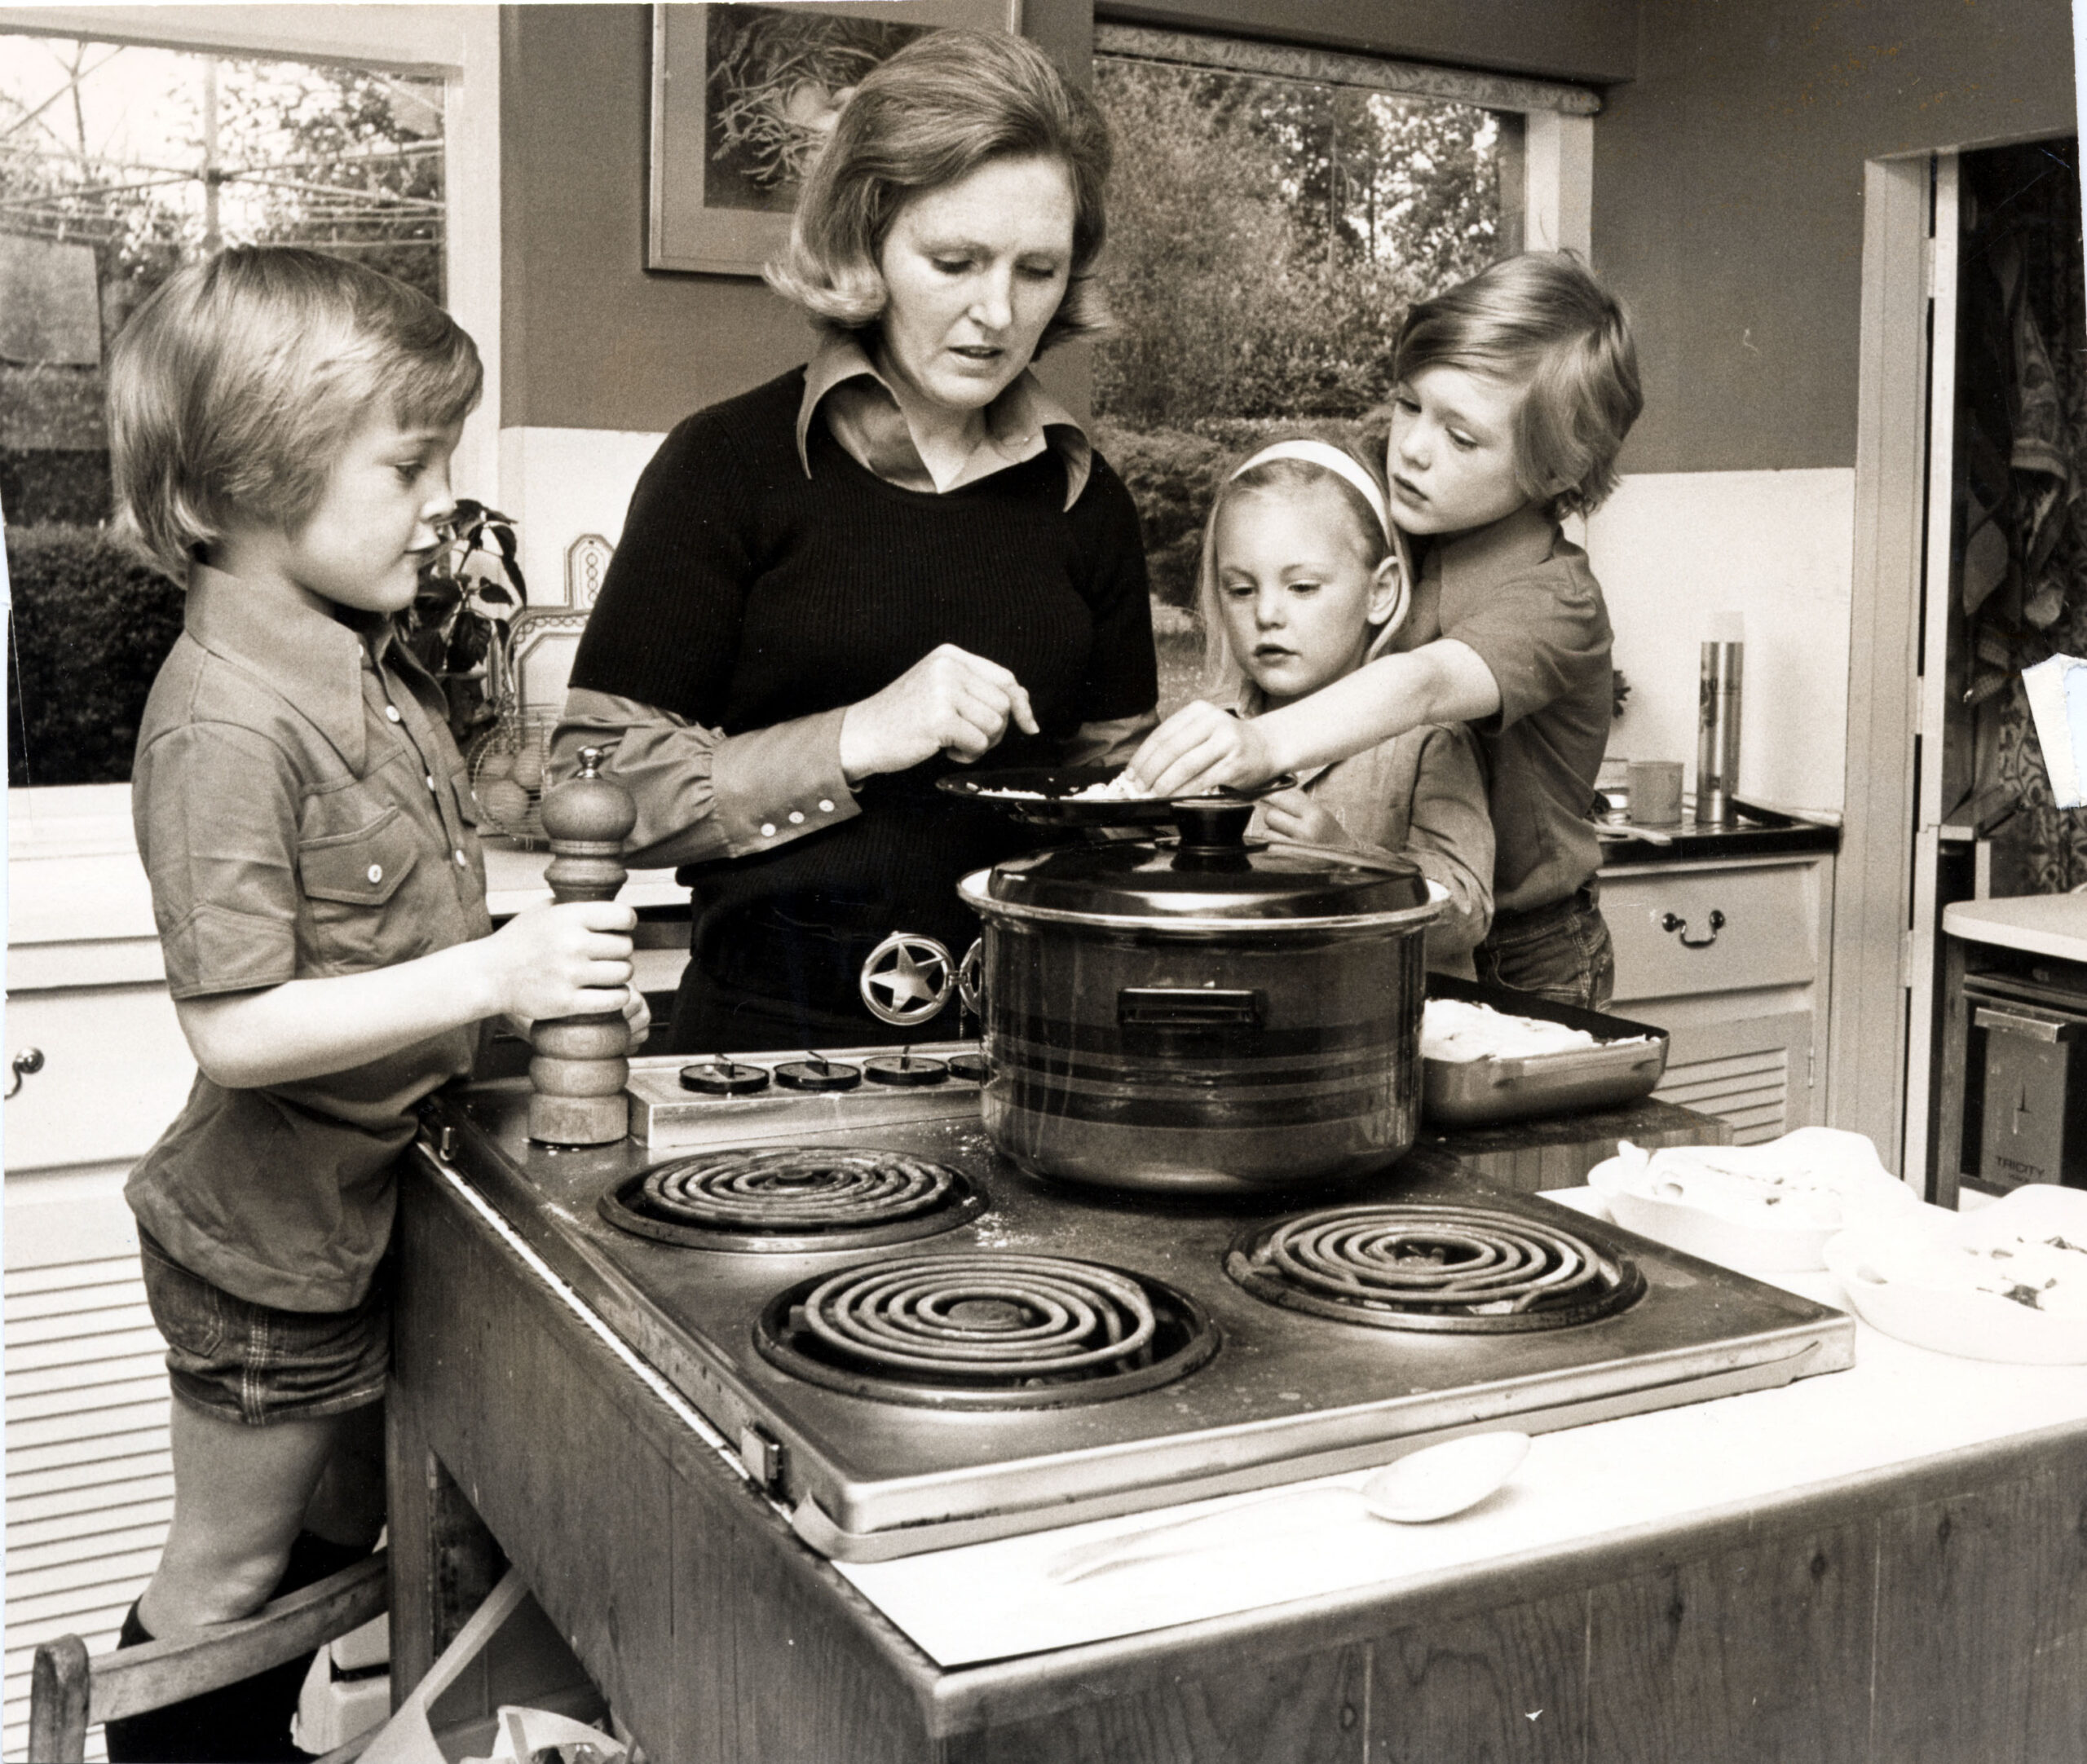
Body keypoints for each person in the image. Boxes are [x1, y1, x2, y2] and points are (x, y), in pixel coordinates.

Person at [104, 247, 646, 1762]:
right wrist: (497, 974)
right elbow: (236, 1029)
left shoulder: (375, 673)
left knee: (344, 1551)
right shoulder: (222, 720)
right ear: (249, 479)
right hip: (267, 1253)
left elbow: (396, 938)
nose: (442, 502)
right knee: (228, 1582)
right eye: (408, 467)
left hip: (364, 1222)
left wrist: (523, 1001)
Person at [552, 29, 1156, 1053]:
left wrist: (1204, 790)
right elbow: (591, 784)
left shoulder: (1088, 501)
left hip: (1028, 1048)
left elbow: (1122, 808)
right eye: (953, 262)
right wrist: (857, 737)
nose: (997, 312)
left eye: (1038, 270)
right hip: (758, 1047)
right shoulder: (725, 463)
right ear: (864, 241)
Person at [1131, 252, 1641, 1008]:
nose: (1413, 448)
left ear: (1558, 471)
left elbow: (1425, 684)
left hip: (1529, 951)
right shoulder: (1414, 530)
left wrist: (1261, 744)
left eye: (1462, 438)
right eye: (1409, 404)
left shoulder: (1557, 599)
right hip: (1396, 931)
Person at [1195, 435, 1492, 973]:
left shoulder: (1427, 738)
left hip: (1383, 1017)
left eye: (1302, 587)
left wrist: (1348, 863)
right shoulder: (1208, 739)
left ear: (1380, 592)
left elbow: (1467, 910)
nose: (1267, 614)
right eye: (1240, 589)